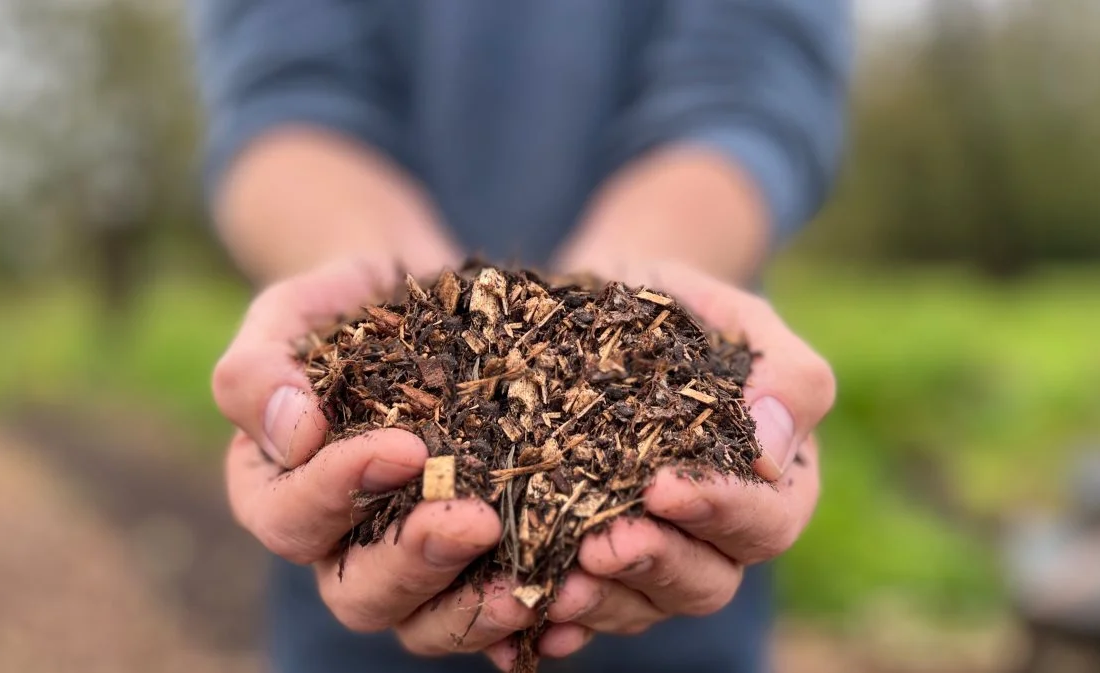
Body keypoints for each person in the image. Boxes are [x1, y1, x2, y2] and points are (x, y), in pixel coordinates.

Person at [187, 1, 850, 671]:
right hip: (356, 600)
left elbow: (749, 82)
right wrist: (361, 264)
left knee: (661, 525)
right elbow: (287, 86)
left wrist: (648, 276)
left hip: (677, 600)